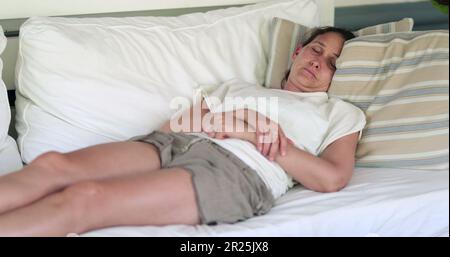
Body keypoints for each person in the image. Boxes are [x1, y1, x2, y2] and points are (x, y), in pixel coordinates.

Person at [0, 27, 365, 236]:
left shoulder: (339, 113)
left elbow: (331, 178)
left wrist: (253, 133)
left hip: (238, 171)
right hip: (174, 143)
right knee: (53, 166)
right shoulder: (238, 87)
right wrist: (241, 116)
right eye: (317, 49)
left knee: (85, 198)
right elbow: (172, 126)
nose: (319, 62)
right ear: (298, 51)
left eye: (332, 63)